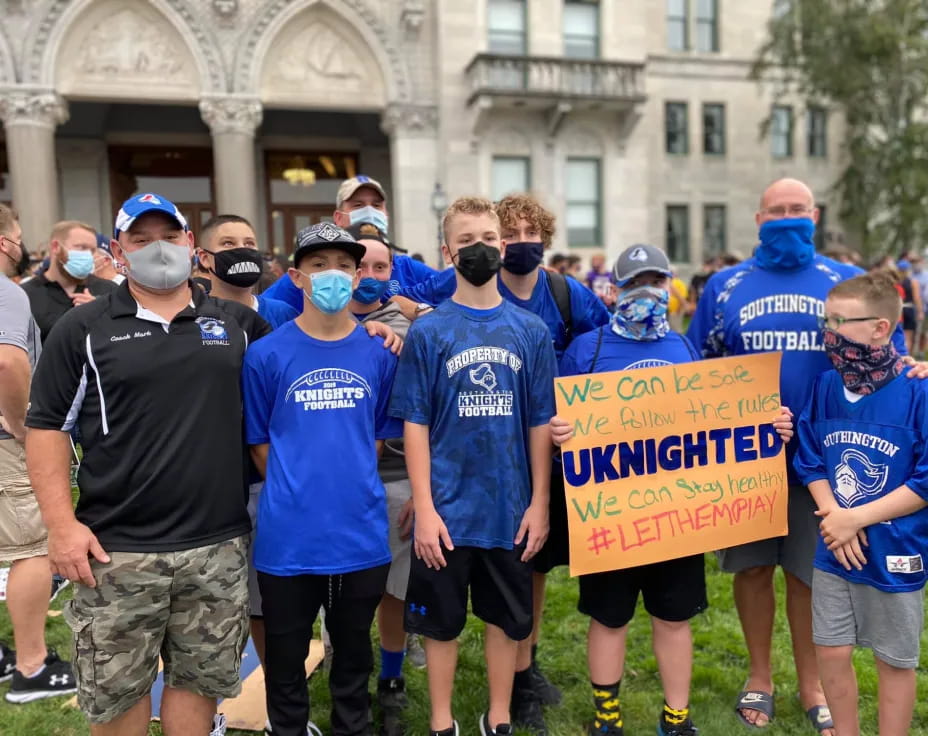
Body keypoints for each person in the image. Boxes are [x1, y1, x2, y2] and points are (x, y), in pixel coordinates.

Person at [25, 193, 270, 736]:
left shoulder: (237, 325)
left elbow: (304, 357)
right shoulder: (83, 329)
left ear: (190, 244)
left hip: (217, 547)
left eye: (169, 235)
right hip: (117, 552)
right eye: (140, 239)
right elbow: (45, 429)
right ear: (120, 249)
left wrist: (381, 328)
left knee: (198, 688)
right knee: (117, 701)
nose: (157, 248)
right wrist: (61, 527)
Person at [687, 178, 911, 735]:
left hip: (832, 461)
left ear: (814, 215)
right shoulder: (724, 284)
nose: (788, 218)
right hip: (746, 460)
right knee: (753, 567)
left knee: (812, 574)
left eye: (798, 210)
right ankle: (759, 675)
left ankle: (811, 684)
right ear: (759, 218)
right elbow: (694, 369)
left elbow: (891, 358)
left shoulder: (842, 282)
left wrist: (917, 370)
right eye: (777, 210)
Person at [551, 244, 796, 736]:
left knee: (674, 618)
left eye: (657, 281)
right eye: (636, 282)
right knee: (608, 618)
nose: (648, 291)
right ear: (615, 290)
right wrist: (559, 433)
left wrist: (770, 424)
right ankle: (607, 717)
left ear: (670, 286)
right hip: (610, 515)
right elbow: (557, 424)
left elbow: (717, 422)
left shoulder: (685, 348)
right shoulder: (587, 349)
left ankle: (676, 717)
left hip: (674, 519)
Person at [397, 193, 610, 735]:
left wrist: (540, 504)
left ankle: (499, 716)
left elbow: (541, 422)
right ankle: (442, 721)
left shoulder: (531, 331)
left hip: (510, 508)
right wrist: (423, 507)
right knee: (441, 627)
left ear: (503, 243)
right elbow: (415, 423)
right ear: (448, 252)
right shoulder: (430, 330)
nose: (482, 249)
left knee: (506, 621)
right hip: (446, 508)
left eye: (489, 239)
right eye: (467, 241)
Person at [242, 222, 400, 736]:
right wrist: (298, 487)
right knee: (286, 663)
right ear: (296, 276)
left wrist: (345, 477)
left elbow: (376, 436)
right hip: (289, 539)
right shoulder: (266, 355)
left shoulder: (380, 352)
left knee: (353, 656)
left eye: (343, 266)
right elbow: (260, 442)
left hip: (359, 534)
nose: (332, 275)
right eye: (318, 265)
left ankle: (351, 728)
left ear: (357, 277)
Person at [794, 272, 928, 736]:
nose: (829, 333)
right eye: (826, 320)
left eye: (841, 322)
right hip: (834, 548)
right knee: (830, 650)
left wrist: (855, 518)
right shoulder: (825, 386)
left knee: (894, 660)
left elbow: (926, 480)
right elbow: (809, 458)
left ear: (881, 328)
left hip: (895, 551)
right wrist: (834, 517)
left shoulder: (918, 391)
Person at [0, 204, 76, 704]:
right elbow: (7, 361)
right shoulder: (7, 293)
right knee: (28, 549)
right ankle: (30, 666)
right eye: (17, 236)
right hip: (6, 441)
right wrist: (28, 429)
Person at [345, 222, 415, 736]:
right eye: (359, 266)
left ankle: (391, 678)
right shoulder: (322, 322)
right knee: (343, 591)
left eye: (380, 268)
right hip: (336, 480)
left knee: (395, 589)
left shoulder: (412, 328)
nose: (368, 276)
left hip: (396, 477)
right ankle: (347, 674)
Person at [261, 175, 437, 312]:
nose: (369, 211)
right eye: (358, 205)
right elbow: (262, 311)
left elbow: (454, 290)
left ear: (386, 215)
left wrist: (419, 310)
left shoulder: (406, 267)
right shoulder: (317, 273)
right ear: (338, 218)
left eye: (376, 205)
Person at [21, 220, 117, 342]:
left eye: (92, 250)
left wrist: (102, 314)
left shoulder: (109, 290)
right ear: (56, 247)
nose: (88, 255)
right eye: (81, 247)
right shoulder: (25, 295)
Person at [196, 214, 298, 329]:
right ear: (204, 258)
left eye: (249, 243)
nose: (242, 249)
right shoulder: (191, 315)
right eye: (228, 243)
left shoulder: (283, 313)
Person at [895, 260, 922, 354]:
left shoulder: (895, 282)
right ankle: (907, 358)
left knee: (898, 336)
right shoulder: (913, 282)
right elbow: (916, 298)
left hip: (898, 310)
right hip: (909, 309)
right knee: (908, 336)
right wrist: (920, 311)